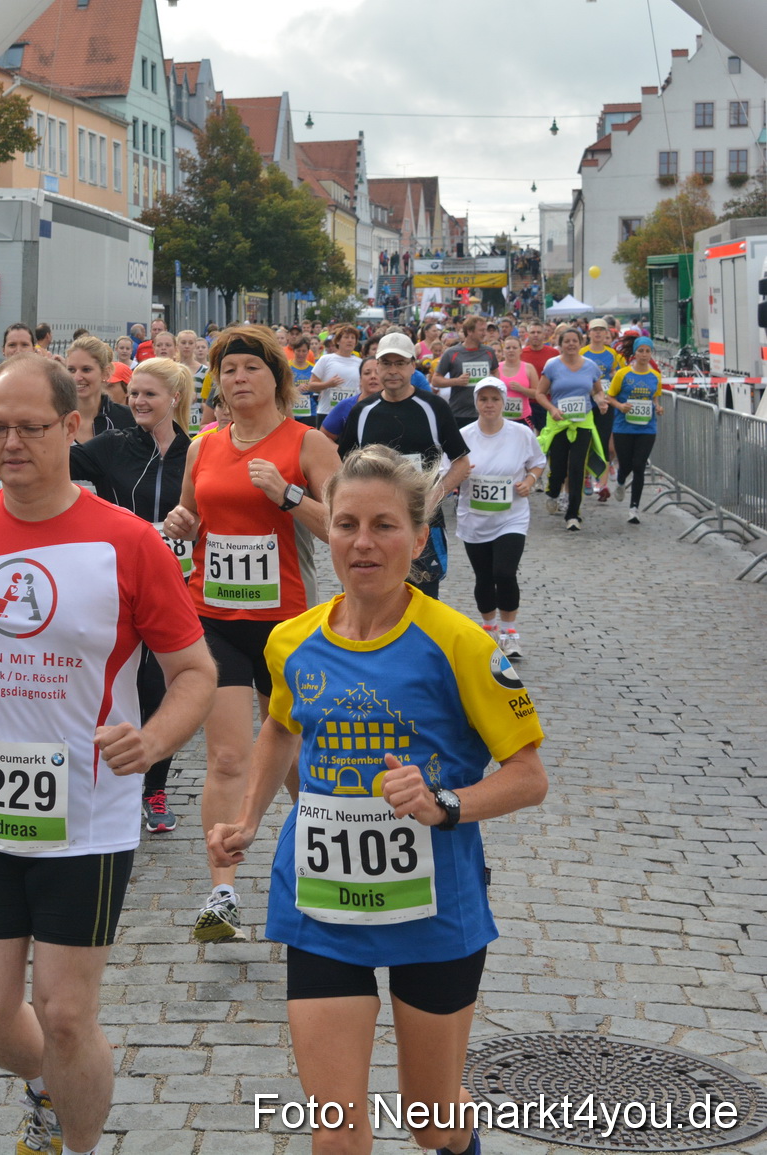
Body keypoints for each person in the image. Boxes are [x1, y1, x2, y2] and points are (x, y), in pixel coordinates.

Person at [0, 353, 217, 1155]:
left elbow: (194, 673)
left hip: (88, 812)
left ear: (72, 426)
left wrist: (152, 740)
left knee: (68, 1013)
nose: (12, 443)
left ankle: (74, 1141)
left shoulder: (127, 542)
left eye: (31, 428)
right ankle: (54, 1082)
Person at [209, 444, 548, 1155]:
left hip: (435, 902)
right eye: (346, 524)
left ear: (420, 537)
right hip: (324, 901)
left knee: (432, 1122)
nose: (363, 542)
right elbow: (279, 724)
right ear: (325, 530)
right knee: (335, 1127)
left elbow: (527, 773)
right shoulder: (292, 640)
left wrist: (444, 801)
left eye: (385, 525)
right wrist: (245, 819)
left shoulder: (456, 642)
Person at [161, 325, 341, 943]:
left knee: (294, 757)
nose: (238, 378)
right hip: (215, 620)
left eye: (250, 369)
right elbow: (188, 521)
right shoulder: (202, 447)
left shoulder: (308, 444)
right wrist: (179, 522)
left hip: (288, 625)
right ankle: (222, 892)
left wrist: (289, 495)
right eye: (228, 369)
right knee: (230, 755)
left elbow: (344, 531)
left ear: (276, 379)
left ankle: (321, 846)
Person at [71, 357, 196, 834]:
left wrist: (195, 524)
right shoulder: (112, 445)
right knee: (114, 682)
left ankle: (156, 786)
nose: (139, 402)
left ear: (174, 400)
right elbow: (59, 464)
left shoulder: (197, 453)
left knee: (160, 686)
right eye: (135, 394)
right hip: (118, 584)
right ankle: (103, 773)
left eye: (150, 395)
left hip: (181, 585)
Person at [335, 333, 472, 600]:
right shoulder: (362, 411)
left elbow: (462, 462)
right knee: (367, 598)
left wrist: (433, 497)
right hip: (372, 527)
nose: (393, 370)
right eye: (386, 363)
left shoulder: (434, 408)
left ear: (413, 365)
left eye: (400, 363)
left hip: (423, 525)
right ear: (377, 366)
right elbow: (343, 467)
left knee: (422, 604)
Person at [454, 379, 546, 658]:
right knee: (483, 576)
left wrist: (529, 481)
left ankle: (510, 632)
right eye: (483, 399)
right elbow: (447, 469)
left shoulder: (521, 433)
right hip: (474, 518)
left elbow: (538, 462)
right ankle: (490, 628)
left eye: (495, 399)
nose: (489, 404)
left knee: (504, 573)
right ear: (476, 403)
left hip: (511, 516)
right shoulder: (464, 435)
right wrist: (460, 475)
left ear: (504, 402)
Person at [532, 327, 613, 532]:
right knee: (558, 468)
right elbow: (540, 393)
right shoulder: (552, 366)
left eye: (574, 341)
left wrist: (601, 403)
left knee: (577, 468)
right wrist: (552, 408)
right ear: (560, 344)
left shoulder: (590, 366)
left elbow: (597, 391)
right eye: (566, 341)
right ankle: (552, 492)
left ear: (580, 342)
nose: (570, 344)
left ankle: (573, 514)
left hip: (582, 423)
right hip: (559, 422)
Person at [606, 338, 664, 523]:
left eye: (648, 351)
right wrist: (620, 406)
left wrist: (658, 407)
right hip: (624, 426)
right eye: (641, 351)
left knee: (639, 465)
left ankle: (634, 509)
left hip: (647, 427)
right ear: (635, 353)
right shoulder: (622, 374)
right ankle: (621, 480)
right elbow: (610, 397)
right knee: (626, 464)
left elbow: (655, 397)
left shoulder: (655, 376)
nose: (644, 355)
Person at [65, 336, 136, 444]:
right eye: (71, 370)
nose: (77, 377)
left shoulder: (128, 419)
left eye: (86, 370)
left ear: (105, 373)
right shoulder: (55, 418)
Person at [582, 322, 624, 502]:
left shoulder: (612, 354)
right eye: (595, 330)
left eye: (601, 330)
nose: (598, 333)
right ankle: (586, 478)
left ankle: (603, 483)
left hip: (605, 404)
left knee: (605, 443)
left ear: (606, 333)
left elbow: (623, 373)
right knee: (586, 442)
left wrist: (615, 375)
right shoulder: (582, 353)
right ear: (589, 333)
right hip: (585, 404)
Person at [430, 316, 498, 426]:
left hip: (484, 412)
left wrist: (493, 382)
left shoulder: (489, 352)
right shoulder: (451, 353)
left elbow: (495, 371)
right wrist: (456, 381)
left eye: (485, 330)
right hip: (459, 413)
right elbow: (435, 380)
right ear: (470, 331)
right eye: (481, 330)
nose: (485, 333)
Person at [317, 356, 383, 444]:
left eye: (377, 372)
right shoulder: (345, 406)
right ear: (360, 380)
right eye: (367, 373)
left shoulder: (394, 405)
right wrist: (341, 453)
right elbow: (323, 438)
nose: (373, 376)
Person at [308, 325, 362, 419]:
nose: (350, 340)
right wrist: (327, 384)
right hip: (327, 412)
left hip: (351, 413)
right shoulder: (326, 359)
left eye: (353, 338)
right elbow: (311, 386)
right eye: (346, 337)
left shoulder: (360, 363)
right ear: (337, 341)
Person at [494, 335, 542, 428]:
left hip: (523, 417)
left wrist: (522, 389)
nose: (511, 350)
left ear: (520, 350)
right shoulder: (496, 368)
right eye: (508, 348)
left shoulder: (529, 368)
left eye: (514, 348)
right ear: (504, 351)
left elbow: (537, 393)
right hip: (501, 417)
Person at [286, 335, 319, 425]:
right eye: (298, 351)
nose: (301, 354)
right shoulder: (287, 367)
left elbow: (319, 388)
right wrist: (296, 390)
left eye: (304, 351)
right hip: (291, 409)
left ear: (308, 352)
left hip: (310, 411)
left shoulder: (313, 368)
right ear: (293, 351)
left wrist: (311, 387)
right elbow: (281, 389)